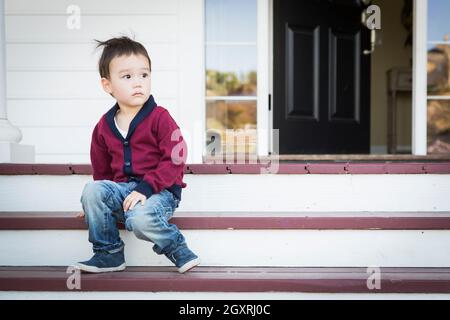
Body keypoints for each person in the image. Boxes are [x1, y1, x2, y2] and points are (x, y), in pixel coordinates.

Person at [75, 36, 200, 274]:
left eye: (144, 75)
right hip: (124, 192)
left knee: (140, 219)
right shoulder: (103, 126)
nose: (138, 83)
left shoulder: (160, 117)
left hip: (159, 192)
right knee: (92, 191)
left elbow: (176, 157)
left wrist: (146, 188)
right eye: (127, 76)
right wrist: (94, 204)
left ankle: (178, 248)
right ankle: (108, 254)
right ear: (107, 85)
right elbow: (102, 173)